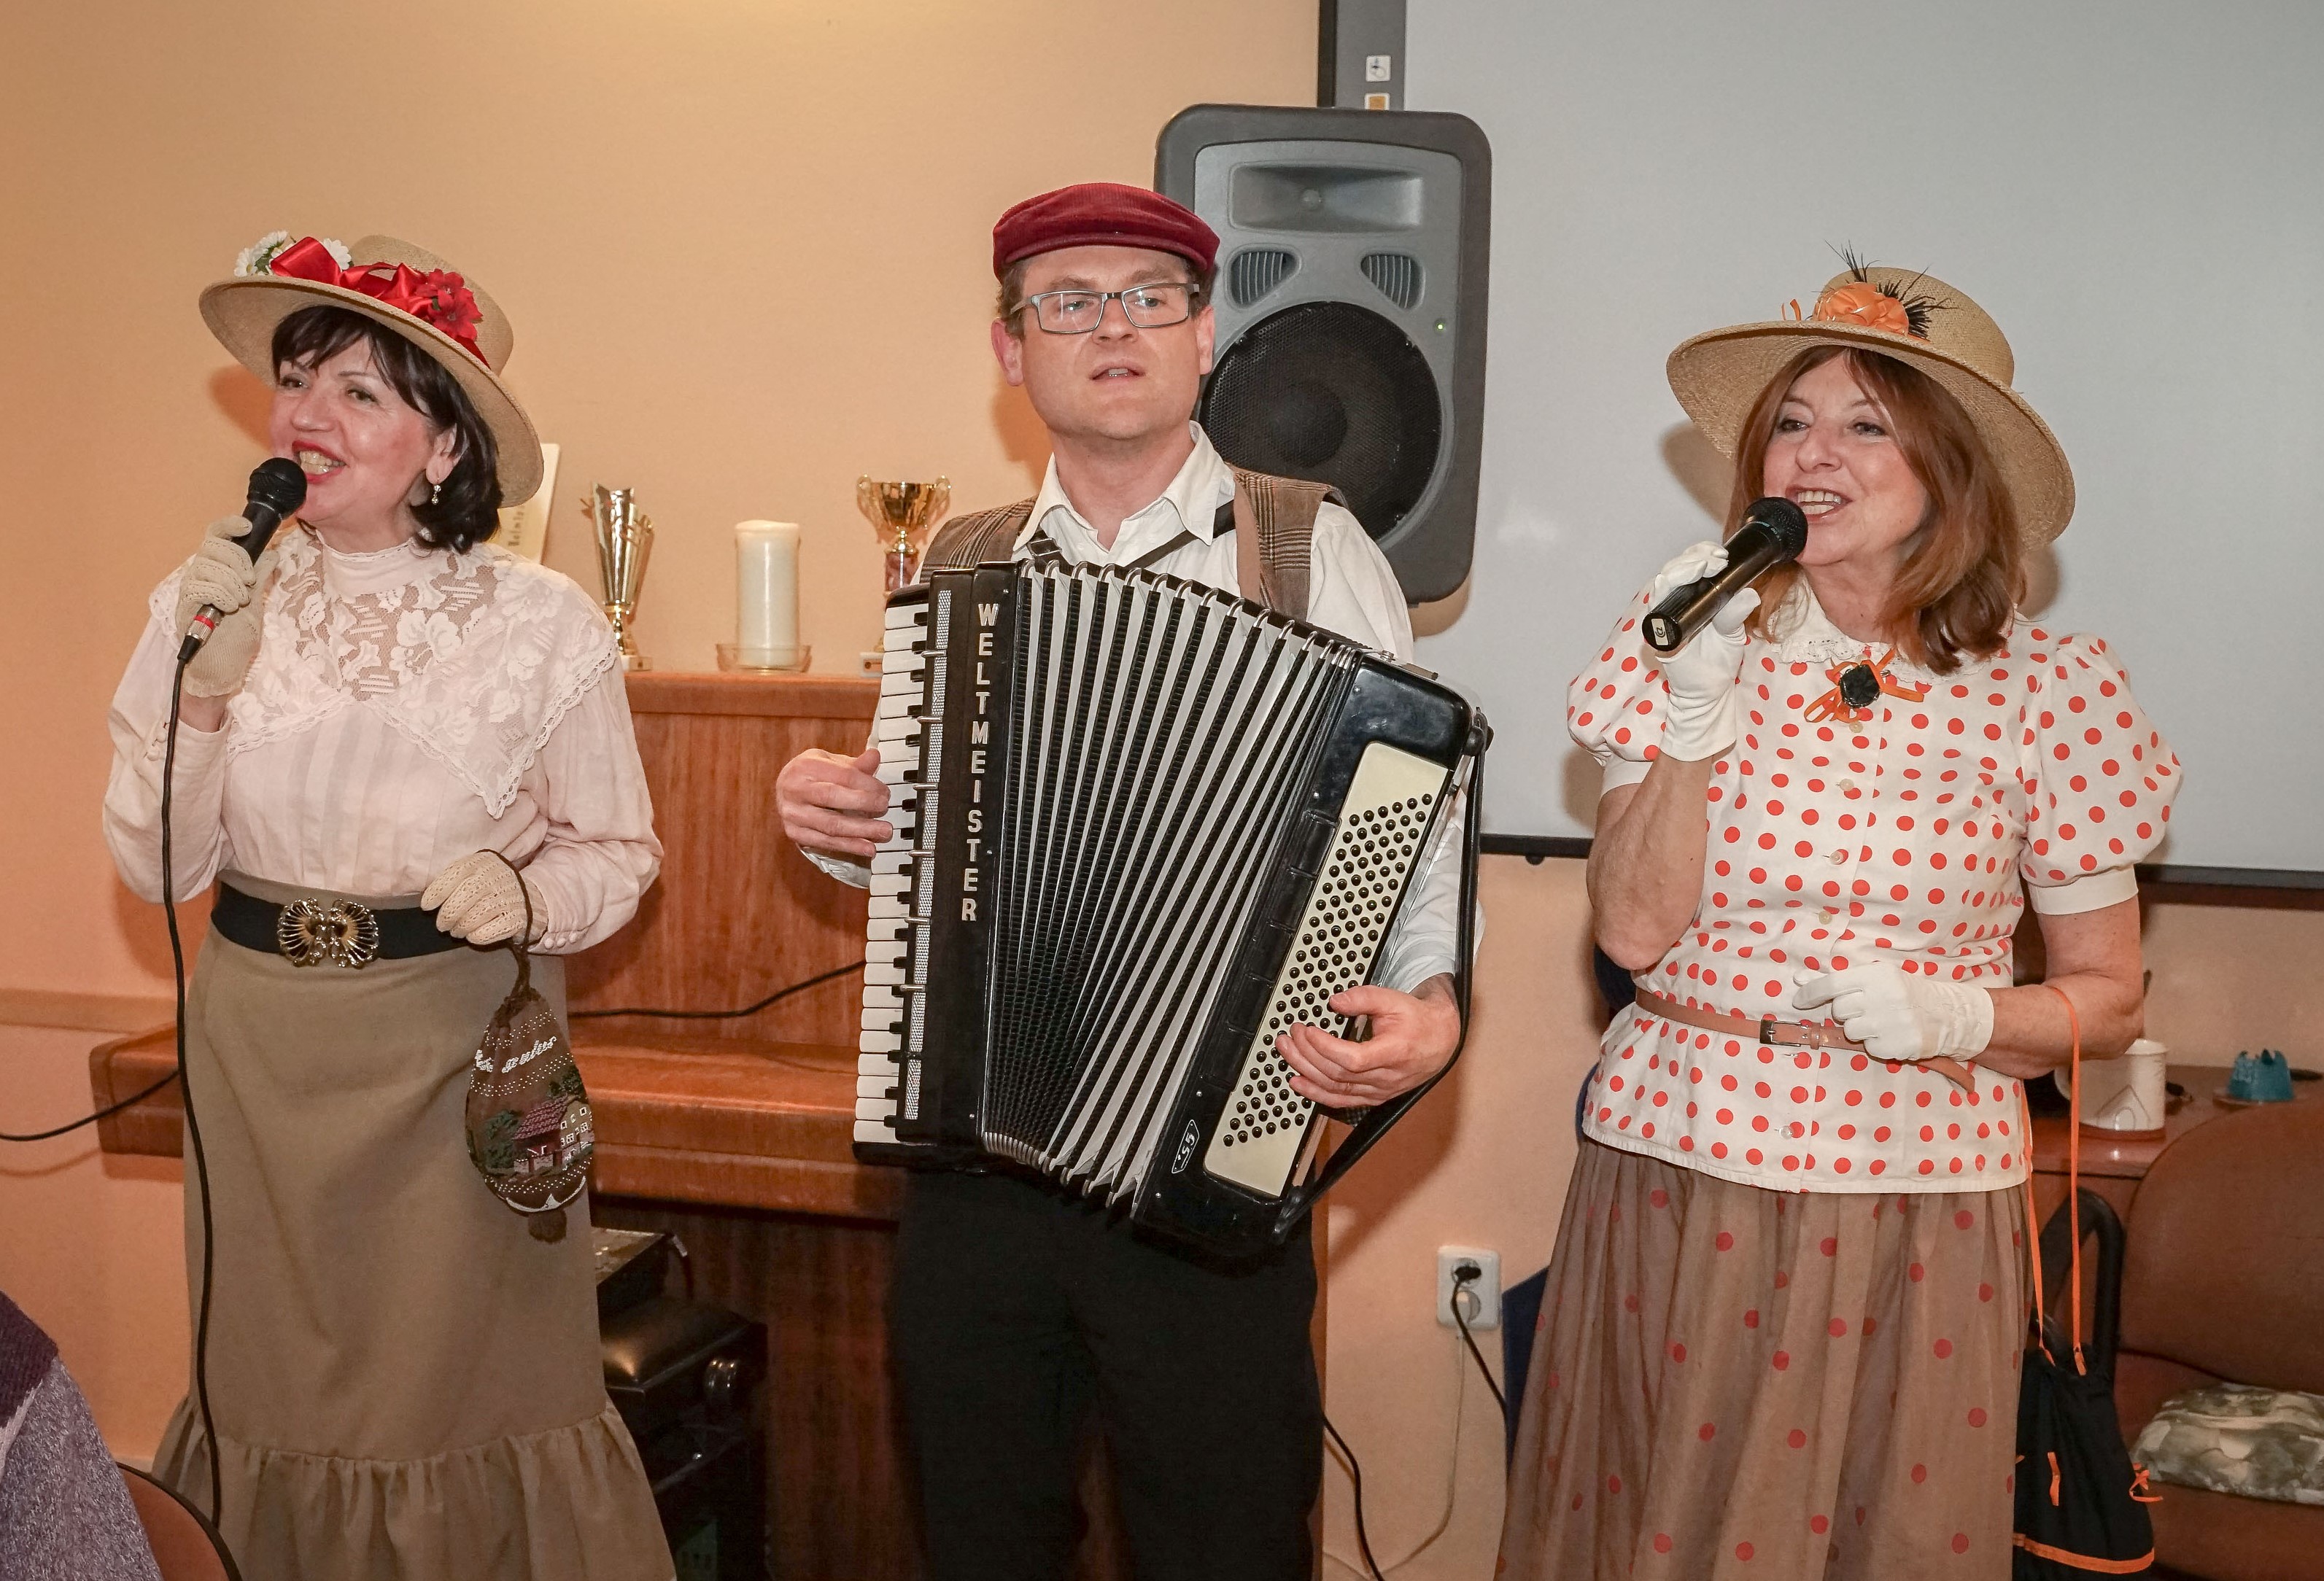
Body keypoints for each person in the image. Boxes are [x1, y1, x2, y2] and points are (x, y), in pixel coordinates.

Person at [776, 183, 1467, 1581]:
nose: (1113, 327)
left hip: (1214, 1140)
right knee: (982, 1536)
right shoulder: (960, 564)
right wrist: (830, 823)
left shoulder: (1307, 543)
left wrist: (1432, 998)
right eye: (1068, 302)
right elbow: (912, 842)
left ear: (1203, 335)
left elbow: (1415, 810)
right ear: (1009, 348)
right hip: (978, 1144)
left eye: (1150, 297)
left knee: (1223, 1541)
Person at [1497, 261, 2182, 1578]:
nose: (1812, 455)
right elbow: (1631, 934)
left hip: (1918, 1194)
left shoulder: (2051, 691)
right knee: (1657, 1528)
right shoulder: (1685, 638)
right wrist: (1692, 715)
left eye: (1865, 424)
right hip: (1683, 1162)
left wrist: (1962, 1016)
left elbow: (2106, 999)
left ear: (1949, 471)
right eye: (1792, 423)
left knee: (1887, 1538)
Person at [102, 232, 672, 1580]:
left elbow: (619, 853)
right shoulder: (202, 601)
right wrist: (202, 692)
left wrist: (524, 889)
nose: (310, 415)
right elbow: (155, 871)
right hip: (258, 1054)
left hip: (453, 1060)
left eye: (361, 392)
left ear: (443, 446)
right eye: (298, 383)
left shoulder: (542, 621)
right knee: (272, 1397)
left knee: (452, 1398)